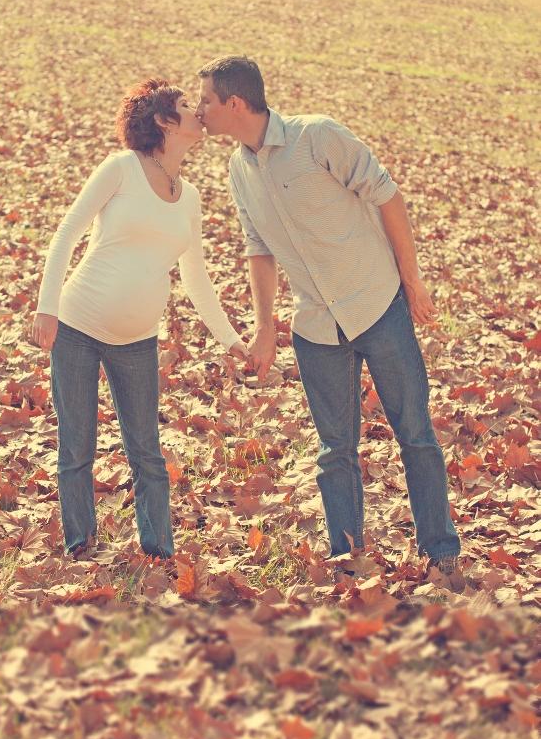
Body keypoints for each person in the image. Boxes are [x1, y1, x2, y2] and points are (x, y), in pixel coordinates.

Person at [195, 56, 461, 574]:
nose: (199, 109)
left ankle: (441, 551)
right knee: (335, 449)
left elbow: (387, 195)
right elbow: (258, 248)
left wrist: (412, 280)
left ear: (234, 103)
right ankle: (346, 559)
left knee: (416, 435)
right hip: (316, 326)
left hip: (377, 306)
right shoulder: (237, 169)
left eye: (205, 100)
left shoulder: (317, 137)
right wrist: (265, 327)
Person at [32, 78, 247, 560]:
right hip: (78, 328)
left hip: (138, 341)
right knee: (77, 448)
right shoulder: (121, 168)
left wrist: (231, 339)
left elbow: (196, 279)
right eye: (185, 106)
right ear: (164, 121)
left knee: (147, 453)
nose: (197, 112)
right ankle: (80, 546)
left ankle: (158, 550)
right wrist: (47, 308)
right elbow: (67, 232)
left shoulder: (188, 196)